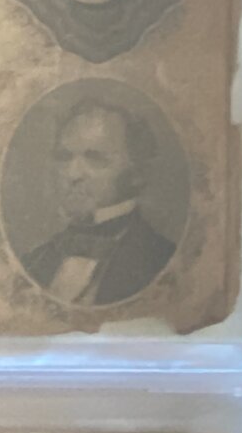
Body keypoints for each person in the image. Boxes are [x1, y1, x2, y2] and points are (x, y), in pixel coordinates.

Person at [23, 97, 176, 306]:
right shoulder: (32, 262)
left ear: (137, 173)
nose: (72, 174)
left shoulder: (163, 261)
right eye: (64, 157)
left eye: (95, 158)